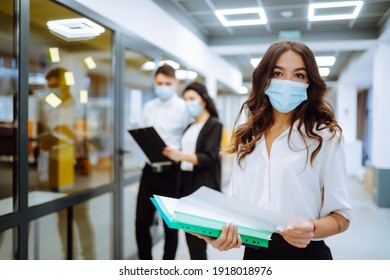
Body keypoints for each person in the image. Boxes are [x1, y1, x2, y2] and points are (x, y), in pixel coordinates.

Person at [192, 40, 353, 260]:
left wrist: (312, 228)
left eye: (298, 75)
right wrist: (215, 234)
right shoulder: (248, 136)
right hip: (255, 256)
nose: (287, 82)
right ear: (265, 80)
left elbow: (341, 218)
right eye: (277, 73)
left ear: (309, 82)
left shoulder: (325, 136)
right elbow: (235, 207)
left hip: (306, 257)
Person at [37, 67, 96, 259]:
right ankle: (68, 257)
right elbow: (47, 125)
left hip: (77, 166)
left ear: (64, 83)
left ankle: (89, 257)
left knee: (80, 214)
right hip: (56, 163)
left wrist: (67, 133)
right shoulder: (51, 103)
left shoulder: (78, 105)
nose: (51, 90)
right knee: (62, 214)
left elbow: (86, 133)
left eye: (54, 85)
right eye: (49, 86)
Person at [163, 82, 223, 260]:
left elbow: (208, 157)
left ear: (203, 101)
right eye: (185, 99)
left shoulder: (214, 125)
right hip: (185, 186)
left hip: (202, 188)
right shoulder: (190, 127)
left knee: (198, 245)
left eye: (192, 99)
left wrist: (181, 155)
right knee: (190, 239)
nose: (188, 103)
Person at [135, 64, 189, 260]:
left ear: (175, 84)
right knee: (141, 223)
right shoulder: (148, 107)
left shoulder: (184, 108)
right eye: (159, 83)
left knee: (170, 226)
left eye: (167, 83)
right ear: (154, 83)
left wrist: (179, 152)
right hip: (149, 171)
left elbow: (189, 140)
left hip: (171, 173)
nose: (163, 87)